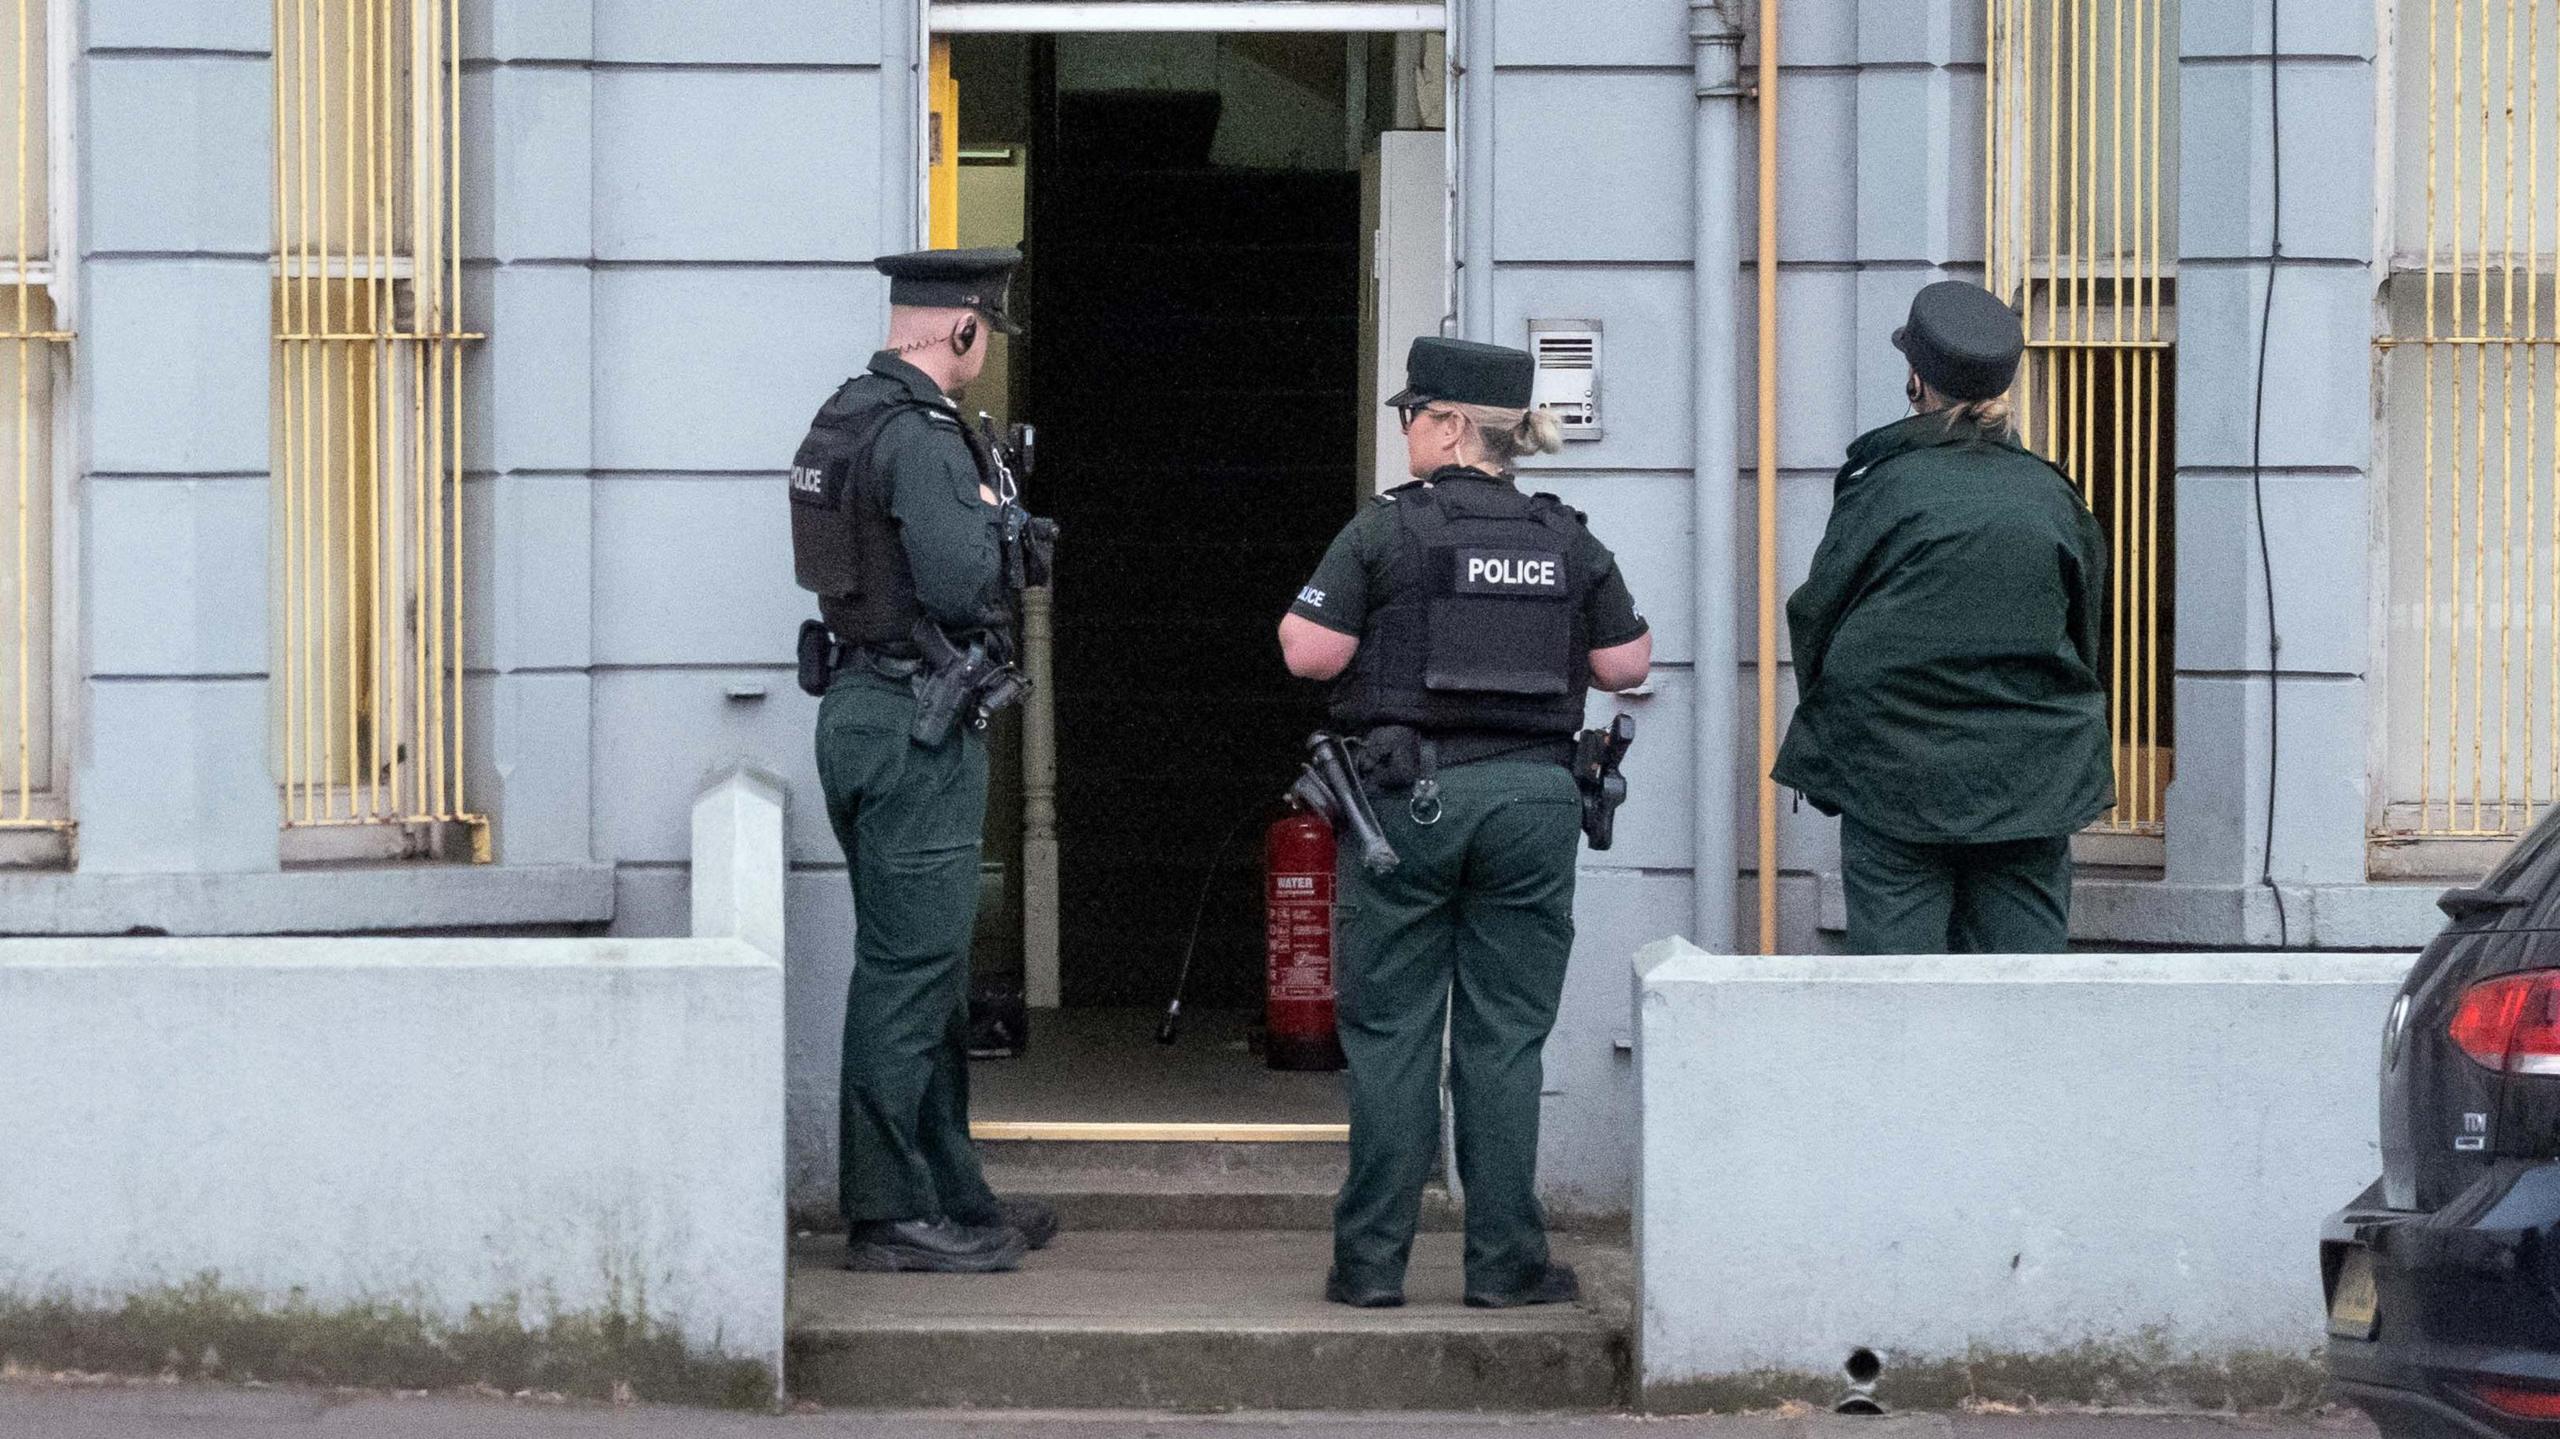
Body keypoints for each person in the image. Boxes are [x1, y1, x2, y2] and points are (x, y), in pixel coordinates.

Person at [1278, 337, 1653, 1310]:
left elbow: (1308, 653)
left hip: (1411, 805)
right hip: (1533, 805)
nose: (1403, 427)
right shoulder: (1567, 536)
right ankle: (1504, 1265)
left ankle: (1369, 1268)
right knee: (1503, 1038)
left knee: (1394, 1031)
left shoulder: (1388, 531)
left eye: (1412, 411)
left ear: (1449, 424)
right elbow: (1626, 665)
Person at [789, 246, 1057, 1273]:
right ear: (960, 328)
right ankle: (891, 1212)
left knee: (931, 970)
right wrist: (1005, 527)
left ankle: (950, 1188)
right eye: (986, 333)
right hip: (917, 725)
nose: (985, 351)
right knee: (909, 977)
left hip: (864, 709)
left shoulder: (846, 415)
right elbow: (957, 584)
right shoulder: (923, 437)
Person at [1772, 279, 2113, 955]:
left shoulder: (1882, 490)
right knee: (2025, 1007)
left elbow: (1816, 620)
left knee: (1899, 1010)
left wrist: (1848, 741)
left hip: (1894, 786)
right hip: (2029, 787)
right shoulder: (2052, 497)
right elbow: (2087, 636)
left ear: (1915, 381)